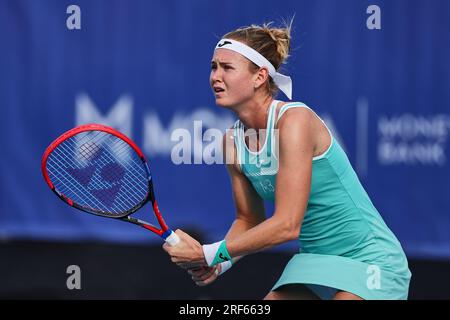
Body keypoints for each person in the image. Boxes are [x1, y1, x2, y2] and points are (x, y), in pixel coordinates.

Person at [163, 21, 411, 300]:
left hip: (372, 260)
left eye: (227, 68)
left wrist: (208, 253)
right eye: (213, 67)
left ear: (259, 77)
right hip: (315, 263)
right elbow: (248, 219)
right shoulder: (231, 142)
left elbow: (287, 225)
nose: (215, 77)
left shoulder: (295, 121)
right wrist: (221, 263)